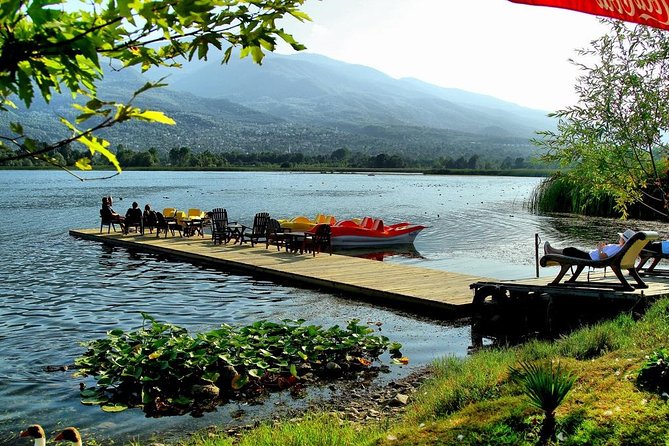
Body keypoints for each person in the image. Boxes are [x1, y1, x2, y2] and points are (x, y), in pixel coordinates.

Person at [544, 229, 636, 260]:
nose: (619, 238)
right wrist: (603, 247)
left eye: (621, 237)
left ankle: (551, 253)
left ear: (623, 240)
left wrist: (600, 248)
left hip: (591, 258)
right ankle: (552, 252)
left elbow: (602, 257)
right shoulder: (620, 248)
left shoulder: (617, 248)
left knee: (571, 250)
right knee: (572, 251)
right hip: (591, 255)